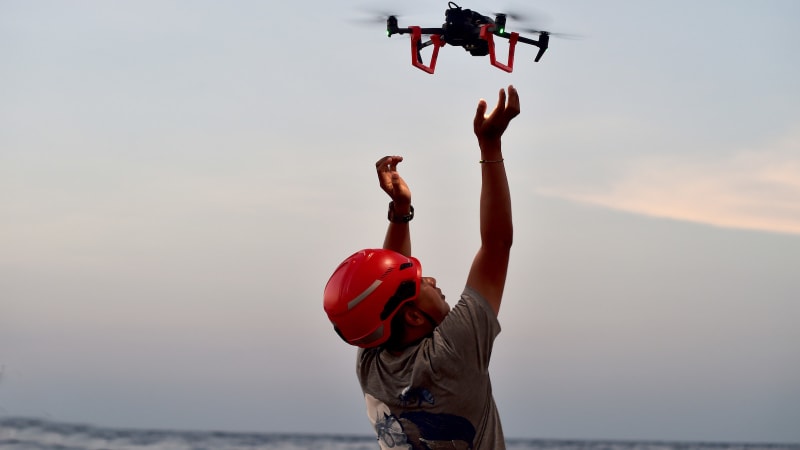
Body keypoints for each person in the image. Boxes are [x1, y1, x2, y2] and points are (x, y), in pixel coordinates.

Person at [323, 86, 520, 450]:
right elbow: (496, 246)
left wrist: (401, 212)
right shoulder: (451, 354)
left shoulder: (373, 364)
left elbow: (384, 291)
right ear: (413, 317)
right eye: (421, 281)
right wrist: (489, 145)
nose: (430, 278)